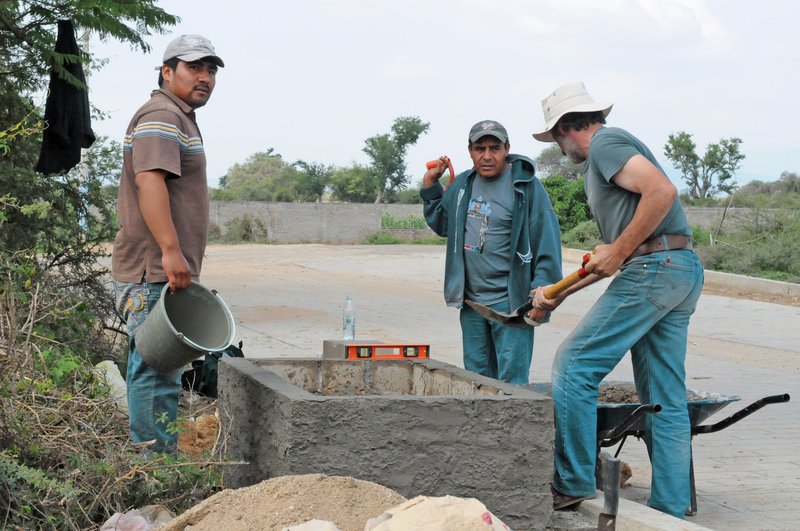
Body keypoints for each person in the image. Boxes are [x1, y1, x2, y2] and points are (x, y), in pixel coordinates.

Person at [530, 82, 704, 518]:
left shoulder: (606, 143)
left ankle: (572, 484)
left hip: (654, 269)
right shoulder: (610, 152)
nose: (558, 146)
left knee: (573, 365)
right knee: (664, 395)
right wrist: (557, 296)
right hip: (675, 267)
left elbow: (662, 192)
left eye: (555, 138)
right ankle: (668, 508)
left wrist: (621, 248)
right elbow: (612, 260)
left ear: (564, 130)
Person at [111, 34, 224, 453]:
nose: (205, 77)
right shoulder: (162, 113)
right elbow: (150, 181)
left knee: (165, 369)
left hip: (163, 269)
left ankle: (161, 459)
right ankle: (151, 469)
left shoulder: (179, 116)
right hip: (152, 269)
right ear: (167, 71)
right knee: (152, 368)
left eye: (211, 70)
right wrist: (171, 252)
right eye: (195, 67)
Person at [420, 120, 562, 385]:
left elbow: (547, 242)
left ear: (507, 149)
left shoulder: (526, 186)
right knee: (476, 381)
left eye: (494, 148)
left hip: (513, 306)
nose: (487, 156)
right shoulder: (463, 184)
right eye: (480, 148)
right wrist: (431, 188)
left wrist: (542, 292)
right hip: (472, 304)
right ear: (470, 151)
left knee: (512, 384)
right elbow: (443, 225)